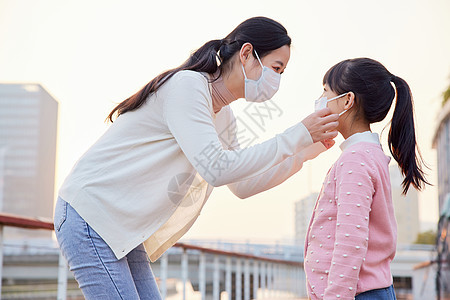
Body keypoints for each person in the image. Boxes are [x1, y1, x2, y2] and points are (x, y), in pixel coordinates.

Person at [53, 16, 339, 299]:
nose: (276, 80)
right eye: (276, 68)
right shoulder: (188, 87)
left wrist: (306, 148)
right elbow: (216, 169)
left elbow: (243, 185)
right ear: (247, 53)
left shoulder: (223, 117)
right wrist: (298, 133)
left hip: (120, 228)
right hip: (90, 214)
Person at [304, 57, 430, 300]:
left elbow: (350, 242)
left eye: (325, 92)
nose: (320, 100)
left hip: (357, 294)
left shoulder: (355, 160)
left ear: (348, 100)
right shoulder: (367, 155)